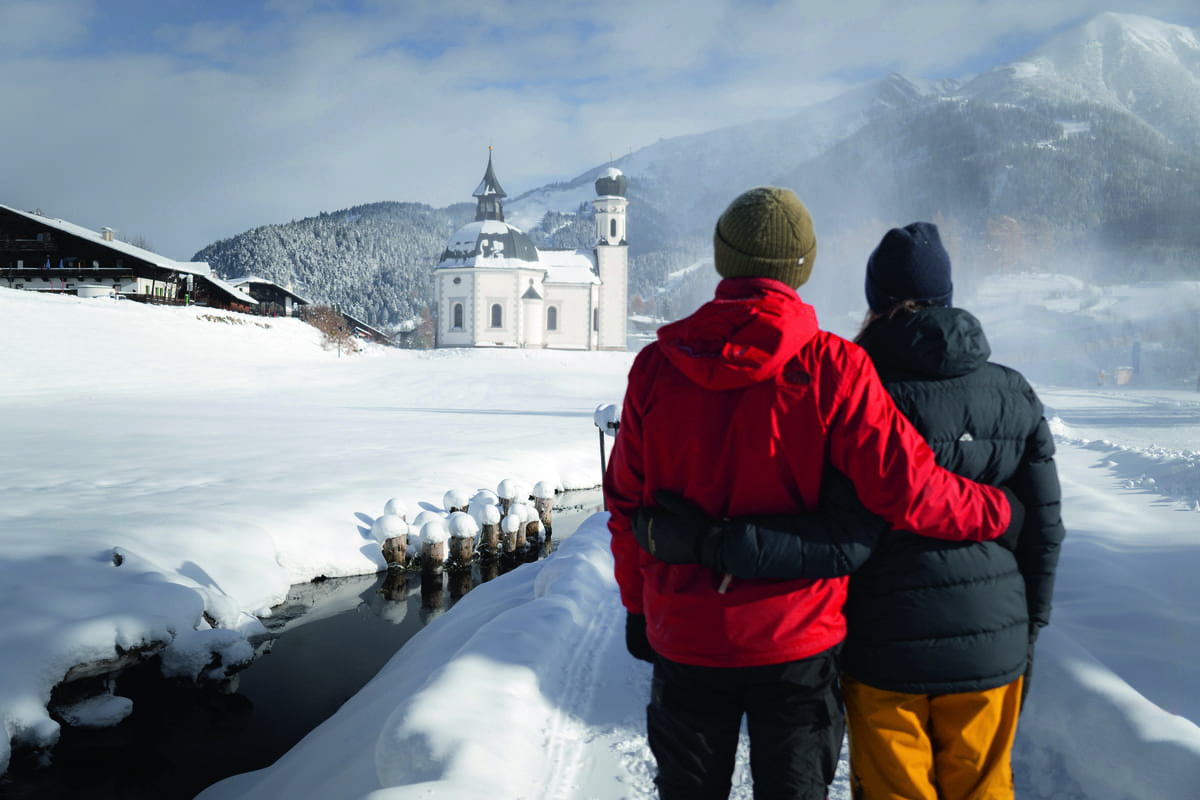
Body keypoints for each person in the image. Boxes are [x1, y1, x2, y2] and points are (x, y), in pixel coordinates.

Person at [604, 190, 1022, 800]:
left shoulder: (656, 367)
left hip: (686, 637)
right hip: (797, 641)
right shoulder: (837, 367)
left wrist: (639, 607)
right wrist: (997, 508)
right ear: (801, 267)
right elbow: (908, 490)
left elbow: (625, 506)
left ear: (725, 259)